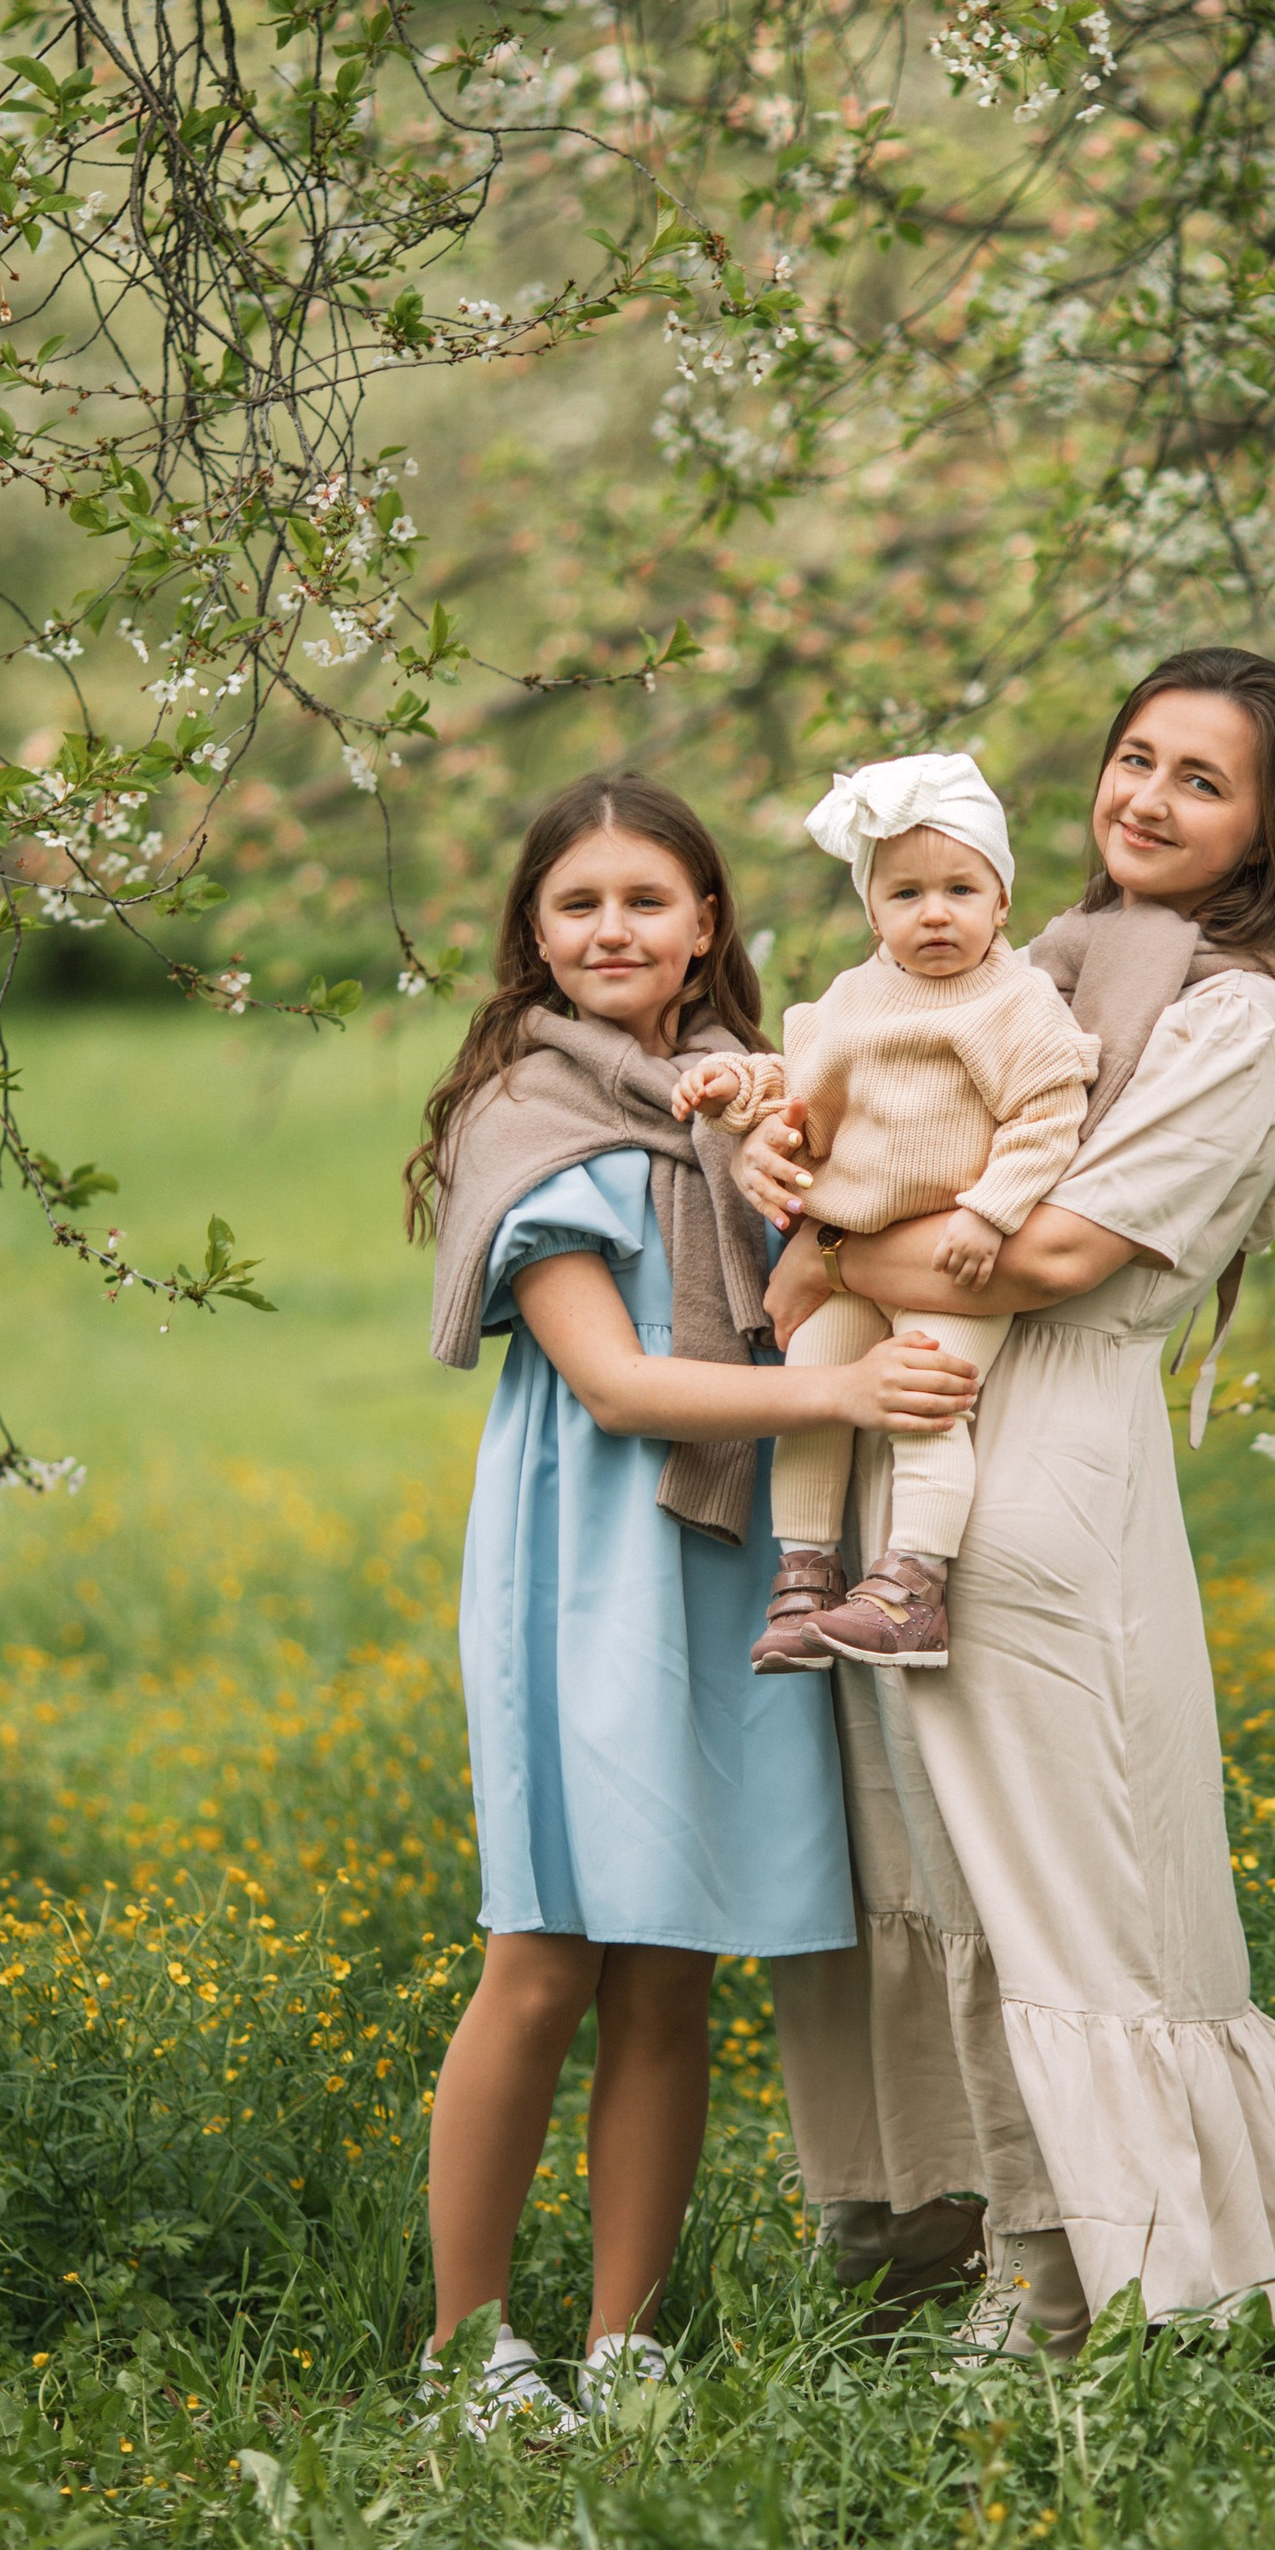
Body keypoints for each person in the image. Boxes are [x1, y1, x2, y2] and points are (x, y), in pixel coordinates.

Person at [737, 651, 1275, 2359]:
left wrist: (816, 1246)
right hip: (913, 1450)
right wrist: (778, 1162)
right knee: (956, 1885)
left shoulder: (1237, 1013)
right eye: (1132, 758)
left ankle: (1170, 2268)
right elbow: (879, 1130)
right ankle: (1011, 2270)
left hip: (1047, 1480)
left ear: (1273, 824)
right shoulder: (1029, 969)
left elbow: (1050, 1254)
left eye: (1201, 778)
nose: (1147, 799)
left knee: (1080, 1893)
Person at [407, 773, 982, 2431]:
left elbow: (832, 1250)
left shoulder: (746, 1101)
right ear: (533, 930)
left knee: (672, 1960)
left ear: (707, 923)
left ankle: (626, 2342)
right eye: (576, 902)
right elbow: (617, 1381)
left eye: (646, 900)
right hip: (589, 1558)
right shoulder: (534, 1118)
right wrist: (846, 1405)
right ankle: (471, 2345)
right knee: (549, 1947)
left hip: (733, 1551)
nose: (612, 930)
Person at [671, 750, 1096, 1673]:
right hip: (852, 1240)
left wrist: (991, 1210)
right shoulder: (855, 1000)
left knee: (922, 1402)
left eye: (960, 889)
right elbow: (803, 1090)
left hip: (950, 1262)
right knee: (811, 1384)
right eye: (905, 895)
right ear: (873, 912)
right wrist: (735, 1086)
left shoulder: (1014, 1006)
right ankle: (807, 1576)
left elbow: (1049, 1111)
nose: (934, 913)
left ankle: (913, 1587)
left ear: (1002, 902)